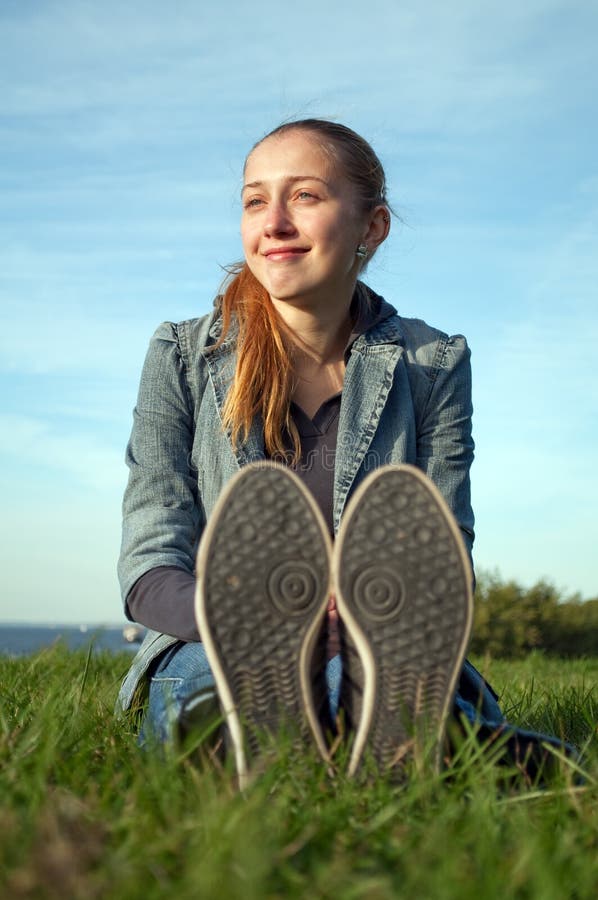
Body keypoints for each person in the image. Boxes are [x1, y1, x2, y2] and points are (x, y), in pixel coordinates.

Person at [116, 118, 573, 786]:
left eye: (304, 196)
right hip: (211, 642)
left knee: (384, 672)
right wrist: (248, 615)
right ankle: (437, 746)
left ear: (372, 227)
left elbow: (442, 556)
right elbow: (149, 559)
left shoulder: (432, 363)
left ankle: (389, 729)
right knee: (214, 682)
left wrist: (361, 619)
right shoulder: (181, 356)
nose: (272, 222)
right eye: (253, 200)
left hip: (381, 644)